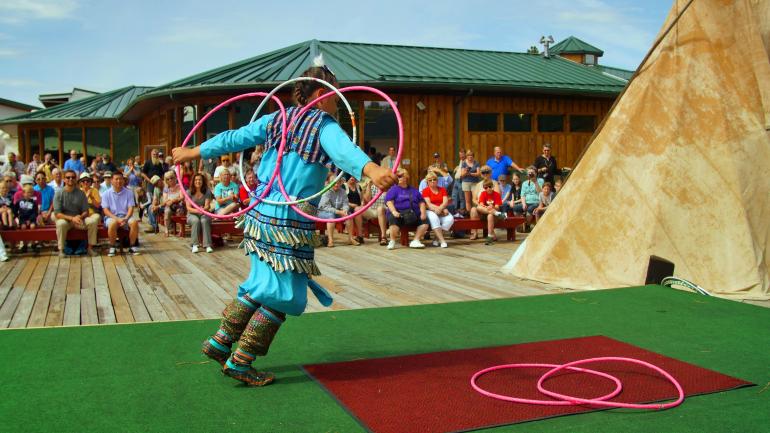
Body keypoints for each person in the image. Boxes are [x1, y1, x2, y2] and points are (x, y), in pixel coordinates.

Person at [172, 60, 396, 386]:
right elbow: (346, 153)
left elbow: (235, 138)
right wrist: (374, 171)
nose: (336, 100)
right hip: (290, 221)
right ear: (321, 95)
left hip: (261, 213)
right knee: (286, 295)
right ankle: (241, 360)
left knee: (262, 282)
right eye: (334, 95)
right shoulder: (324, 125)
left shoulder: (277, 119)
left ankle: (221, 341)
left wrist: (194, 152)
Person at [53, 170, 100, 257]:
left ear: (76, 179)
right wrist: (72, 218)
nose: (70, 179)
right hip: (65, 220)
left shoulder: (81, 193)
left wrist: (80, 216)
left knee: (92, 222)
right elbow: (57, 213)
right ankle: (61, 250)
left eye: (73, 177)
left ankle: (90, 248)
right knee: (60, 224)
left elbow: (86, 211)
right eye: (68, 177)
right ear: (64, 179)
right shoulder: (59, 193)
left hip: (79, 220)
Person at [384, 168, 429, 250]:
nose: (398, 178)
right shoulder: (393, 189)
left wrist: (423, 213)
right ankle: (392, 241)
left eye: (400, 176)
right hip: (399, 213)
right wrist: (394, 211)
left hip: (413, 214)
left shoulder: (413, 190)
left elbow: (421, 202)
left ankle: (416, 240)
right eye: (397, 176)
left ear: (406, 177)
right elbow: (389, 202)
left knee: (425, 221)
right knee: (393, 219)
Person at [101, 172, 139, 256]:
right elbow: (106, 211)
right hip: (111, 216)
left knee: (134, 222)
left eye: (121, 179)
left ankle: (132, 246)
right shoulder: (106, 194)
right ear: (111, 181)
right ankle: (112, 247)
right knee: (112, 223)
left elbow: (131, 208)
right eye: (116, 179)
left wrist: (125, 218)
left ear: (124, 180)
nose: (119, 181)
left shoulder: (129, 193)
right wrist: (117, 219)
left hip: (126, 216)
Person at [318, 175, 359, 247]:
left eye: (338, 183)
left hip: (337, 211)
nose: (336, 185)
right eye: (334, 183)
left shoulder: (342, 191)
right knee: (331, 216)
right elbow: (325, 207)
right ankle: (330, 240)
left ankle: (351, 238)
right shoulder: (326, 191)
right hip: (323, 212)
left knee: (348, 215)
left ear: (340, 183)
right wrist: (339, 212)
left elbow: (346, 203)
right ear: (329, 183)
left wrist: (345, 210)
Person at [421, 172, 453, 248]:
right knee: (434, 218)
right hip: (430, 210)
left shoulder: (442, 189)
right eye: (430, 180)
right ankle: (442, 241)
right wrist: (439, 209)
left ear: (437, 180)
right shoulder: (425, 191)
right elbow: (428, 204)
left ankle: (436, 238)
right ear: (427, 182)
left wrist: (441, 209)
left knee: (450, 219)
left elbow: (445, 202)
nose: (432, 181)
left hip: (441, 208)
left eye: (434, 179)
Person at [186, 173, 214, 253]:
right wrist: (199, 210)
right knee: (195, 221)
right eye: (196, 180)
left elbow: (207, 206)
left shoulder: (207, 191)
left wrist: (202, 210)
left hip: (204, 213)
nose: (198, 181)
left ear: (203, 181)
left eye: (200, 180)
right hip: (192, 214)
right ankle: (195, 245)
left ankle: (207, 245)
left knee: (204, 220)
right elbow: (189, 208)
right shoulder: (189, 192)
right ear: (193, 181)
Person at [470, 180, 504, 244]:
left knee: (490, 215)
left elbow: (497, 207)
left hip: (494, 216)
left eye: (490, 187)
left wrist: (492, 207)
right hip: (487, 212)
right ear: (484, 188)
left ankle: (489, 237)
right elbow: (481, 204)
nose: (488, 188)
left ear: (493, 186)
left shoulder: (496, 194)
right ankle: (498, 214)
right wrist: (487, 207)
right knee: (476, 208)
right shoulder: (483, 193)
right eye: (486, 187)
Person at [361, 177, 388, 246]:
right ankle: (359, 235)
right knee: (357, 209)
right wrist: (369, 186)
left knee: (380, 208)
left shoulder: (388, 187)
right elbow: (367, 199)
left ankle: (383, 237)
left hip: (384, 210)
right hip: (372, 210)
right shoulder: (373, 187)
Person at [161, 170, 184, 236]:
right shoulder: (166, 188)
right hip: (169, 205)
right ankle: (166, 230)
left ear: (175, 178)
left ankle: (181, 231)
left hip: (179, 204)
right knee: (167, 211)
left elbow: (182, 197)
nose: (170, 180)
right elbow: (165, 200)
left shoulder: (179, 186)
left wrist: (173, 200)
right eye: (168, 179)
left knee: (180, 211)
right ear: (166, 180)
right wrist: (169, 202)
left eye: (171, 178)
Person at [344, 175, 365, 245]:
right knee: (354, 211)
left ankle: (360, 235)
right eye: (350, 177)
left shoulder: (358, 186)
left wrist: (362, 204)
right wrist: (351, 204)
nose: (352, 178)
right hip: (347, 206)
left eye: (354, 177)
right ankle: (357, 236)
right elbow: (342, 200)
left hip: (358, 207)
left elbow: (362, 198)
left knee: (357, 210)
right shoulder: (344, 186)